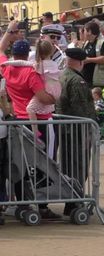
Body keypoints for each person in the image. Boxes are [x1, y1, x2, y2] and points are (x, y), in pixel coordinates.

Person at [0, 25, 59, 219]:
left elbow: (0, 51)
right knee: (44, 163)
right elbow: (42, 97)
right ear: (28, 54)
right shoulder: (31, 73)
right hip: (40, 121)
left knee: (20, 164)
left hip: (18, 120)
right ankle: (42, 205)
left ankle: (22, 200)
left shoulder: (7, 69)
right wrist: (54, 99)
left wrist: (9, 32)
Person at [56, 47, 97, 216]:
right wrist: (92, 126)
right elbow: (82, 109)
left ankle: (70, 201)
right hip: (78, 131)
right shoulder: (77, 81)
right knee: (78, 167)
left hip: (65, 129)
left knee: (67, 166)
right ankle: (74, 202)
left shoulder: (60, 76)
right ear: (80, 62)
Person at [82, 21, 104, 88]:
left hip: (98, 81)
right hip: (86, 79)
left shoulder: (103, 43)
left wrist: (89, 60)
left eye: (84, 31)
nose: (83, 33)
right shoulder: (87, 43)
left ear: (89, 32)